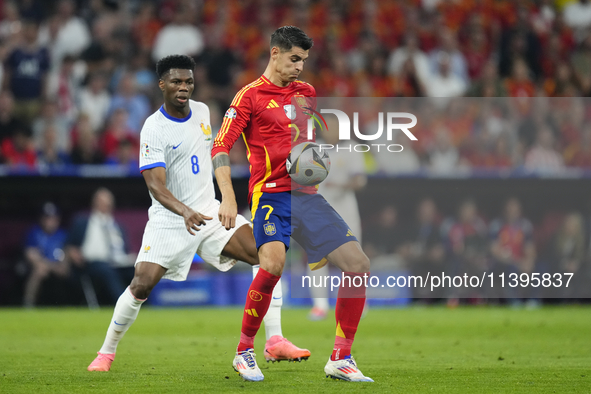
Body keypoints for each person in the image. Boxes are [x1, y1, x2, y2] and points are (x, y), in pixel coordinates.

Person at [87, 55, 308, 372]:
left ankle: (274, 341)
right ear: (162, 84)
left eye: (188, 81)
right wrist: (184, 211)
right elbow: (155, 185)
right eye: (176, 81)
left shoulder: (203, 112)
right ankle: (106, 353)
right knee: (142, 284)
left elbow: (218, 153)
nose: (183, 87)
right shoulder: (153, 128)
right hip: (171, 220)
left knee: (266, 254)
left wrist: (226, 197)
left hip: (209, 211)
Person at [212, 26, 373, 383]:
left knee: (358, 265)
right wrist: (227, 196)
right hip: (269, 196)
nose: (300, 66)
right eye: (294, 58)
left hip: (307, 196)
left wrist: (317, 162)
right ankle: (244, 352)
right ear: (275, 53)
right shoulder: (248, 96)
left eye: (304, 60)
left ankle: (341, 359)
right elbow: (220, 147)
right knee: (272, 265)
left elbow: (304, 146)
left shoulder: (306, 94)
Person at [66, 188, 133, 305]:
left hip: (119, 262)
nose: (105, 206)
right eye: (102, 202)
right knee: (106, 270)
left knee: (140, 270)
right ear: (94, 203)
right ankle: (123, 305)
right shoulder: (82, 222)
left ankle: (145, 305)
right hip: (92, 263)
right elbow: (69, 245)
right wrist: (72, 252)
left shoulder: (118, 226)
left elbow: (126, 249)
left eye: (108, 203)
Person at [23, 202, 68, 307]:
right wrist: (46, 265)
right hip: (41, 266)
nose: (50, 221)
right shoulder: (34, 232)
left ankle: (71, 304)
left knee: (65, 269)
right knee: (39, 270)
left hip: (59, 267)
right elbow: (30, 253)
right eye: (47, 218)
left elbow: (66, 253)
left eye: (53, 218)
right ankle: (28, 304)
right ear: (42, 219)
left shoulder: (63, 234)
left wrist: (62, 264)